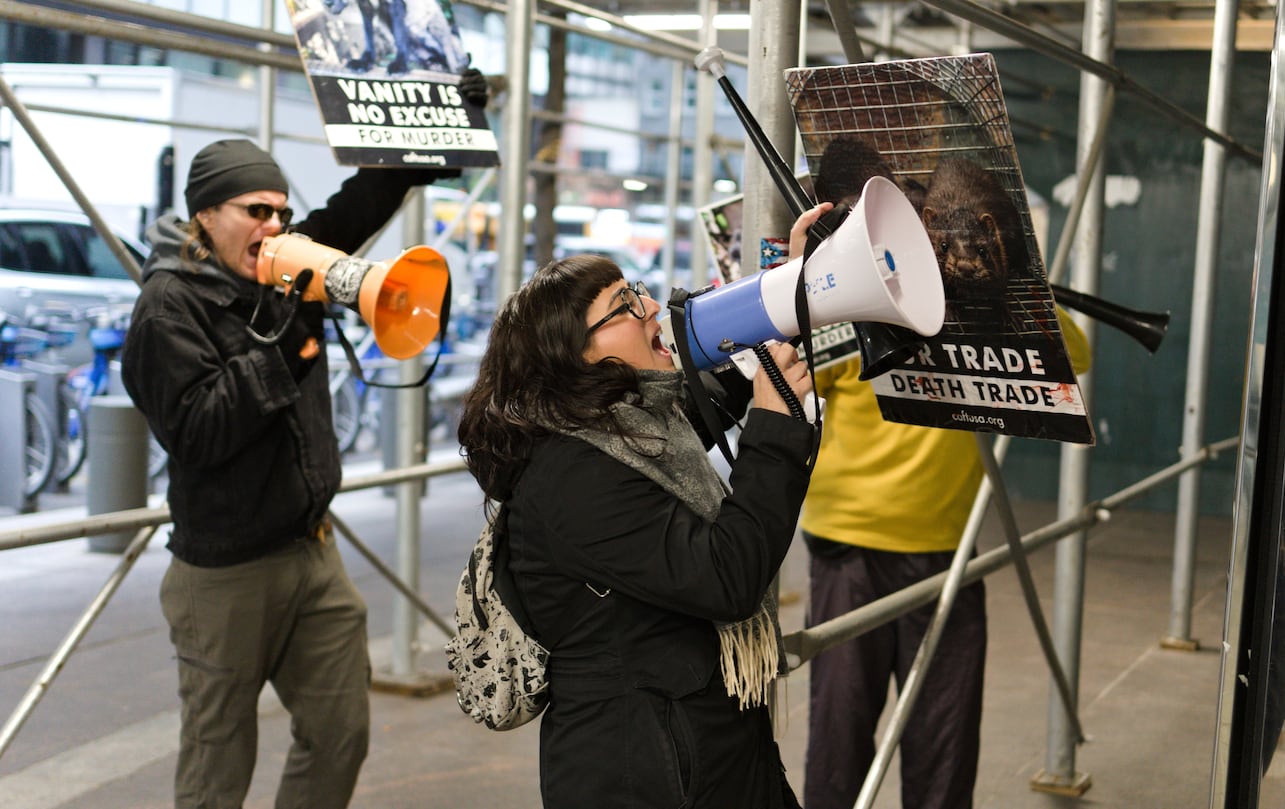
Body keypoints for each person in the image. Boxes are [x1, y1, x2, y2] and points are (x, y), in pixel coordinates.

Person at [120, 69, 485, 809]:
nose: (274, 228)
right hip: (224, 571)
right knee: (218, 765)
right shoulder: (167, 307)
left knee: (341, 730)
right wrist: (281, 348)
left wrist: (432, 132)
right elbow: (196, 432)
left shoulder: (286, 264)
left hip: (310, 550)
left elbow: (360, 203)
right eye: (256, 210)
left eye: (281, 212)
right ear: (204, 216)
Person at [455, 204, 828, 809]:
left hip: (704, 742)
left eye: (639, 292)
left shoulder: (633, 427)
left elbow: (741, 379)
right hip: (648, 770)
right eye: (625, 305)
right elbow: (725, 576)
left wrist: (796, 286)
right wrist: (774, 426)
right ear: (573, 355)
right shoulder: (570, 475)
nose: (653, 307)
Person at [801, 316, 1091, 809]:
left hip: (945, 553)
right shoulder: (853, 300)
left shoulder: (979, 308)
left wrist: (1014, 279)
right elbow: (794, 376)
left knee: (946, 736)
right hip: (849, 547)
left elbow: (1074, 354)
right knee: (839, 732)